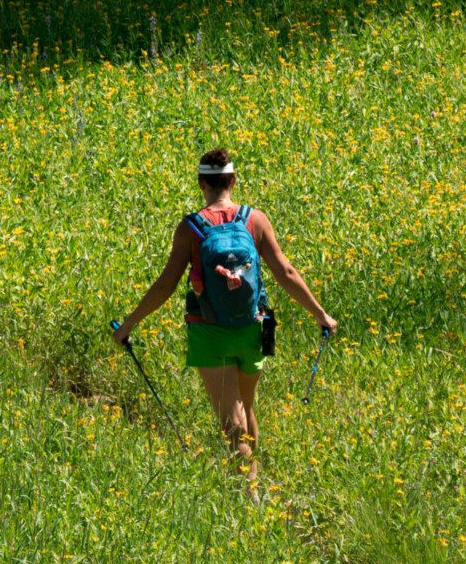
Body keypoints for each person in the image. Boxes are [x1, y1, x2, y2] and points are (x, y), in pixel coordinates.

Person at [112, 148, 336, 484]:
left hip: (210, 332)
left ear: (202, 183)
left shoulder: (191, 228)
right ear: (232, 180)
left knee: (232, 423)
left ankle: (251, 500)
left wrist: (128, 324)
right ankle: (258, 484)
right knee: (246, 411)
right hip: (253, 327)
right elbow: (285, 272)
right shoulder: (254, 219)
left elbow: (165, 285)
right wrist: (321, 315)